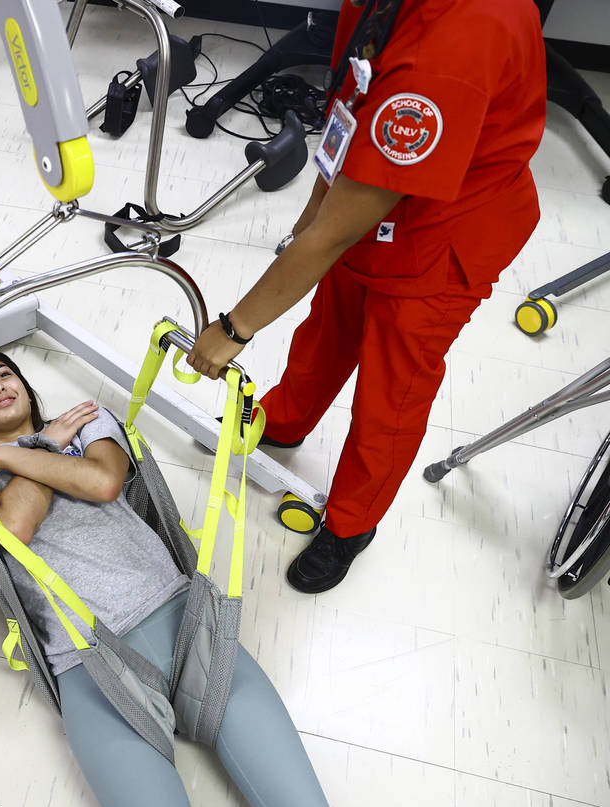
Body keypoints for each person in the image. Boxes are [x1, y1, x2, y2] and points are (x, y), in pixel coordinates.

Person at [187, 0, 548, 593]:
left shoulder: (451, 51)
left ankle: (353, 523)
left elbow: (335, 233)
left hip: (444, 239)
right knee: (328, 324)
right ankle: (286, 420)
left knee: (391, 391)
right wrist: (311, 216)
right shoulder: (388, 6)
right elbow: (354, 104)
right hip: (376, 203)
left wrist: (232, 332)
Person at [0, 346, 329, 807]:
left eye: (5, 374)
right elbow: (16, 527)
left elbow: (103, 482)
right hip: (88, 663)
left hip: (182, 620)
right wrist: (29, 449)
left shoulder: (87, 420)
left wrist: (12, 456)